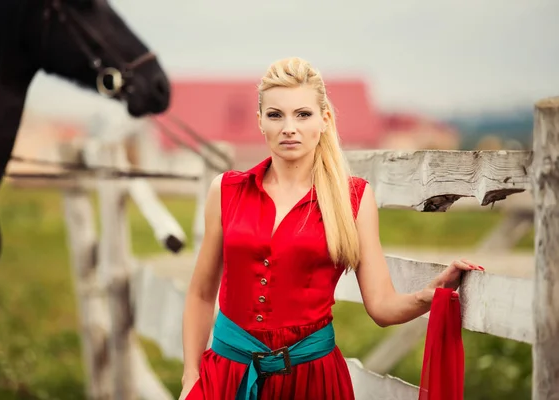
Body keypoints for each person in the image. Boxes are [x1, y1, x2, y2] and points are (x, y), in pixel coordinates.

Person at [179, 57, 483, 400]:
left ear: (324, 120)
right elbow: (201, 293)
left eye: (303, 114)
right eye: (275, 115)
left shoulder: (353, 198)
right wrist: (191, 376)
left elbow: (381, 306)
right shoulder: (227, 190)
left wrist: (426, 295)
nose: (288, 127)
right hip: (227, 376)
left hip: (311, 382)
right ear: (260, 121)